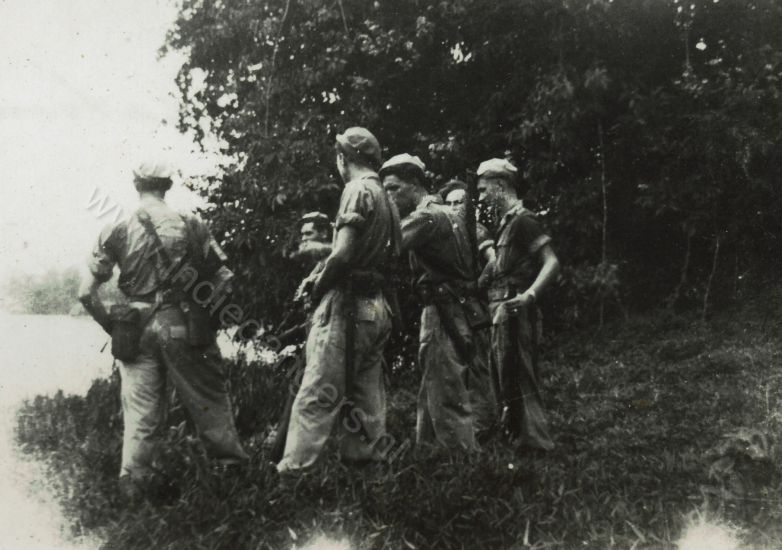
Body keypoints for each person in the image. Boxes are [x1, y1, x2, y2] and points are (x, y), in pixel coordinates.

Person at [78, 158, 248, 498]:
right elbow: (225, 277)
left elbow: (85, 292)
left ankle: (135, 489)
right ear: (167, 186)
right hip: (182, 321)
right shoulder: (190, 223)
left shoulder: (118, 227)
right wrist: (205, 317)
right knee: (210, 402)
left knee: (141, 416)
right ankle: (231, 485)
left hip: (135, 329)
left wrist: (113, 327)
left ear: (136, 184)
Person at [277, 127, 401, 473]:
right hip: (376, 306)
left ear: (343, 158)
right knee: (367, 395)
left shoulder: (356, 190)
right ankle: (367, 471)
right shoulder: (388, 198)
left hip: (345, 306)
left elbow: (343, 253)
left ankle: (294, 474)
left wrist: (316, 286)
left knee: (316, 392)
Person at [381, 154, 489, 450]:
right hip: (459, 308)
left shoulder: (425, 217)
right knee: (437, 378)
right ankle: (427, 451)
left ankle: (463, 464)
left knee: (446, 387)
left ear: (414, 183)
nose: (388, 196)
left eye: (393, 188)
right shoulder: (452, 214)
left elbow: (383, 248)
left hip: (442, 310)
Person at [476, 158, 560, 451]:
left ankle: (536, 442)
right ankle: (518, 439)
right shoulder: (506, 224)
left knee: (521, 374)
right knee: (505, 374)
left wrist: (530, 296)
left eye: (485, 189)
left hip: (516, 308)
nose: (482, 196)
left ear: (501, 185)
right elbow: (499, 268)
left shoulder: (524, 220)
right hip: (501, 309)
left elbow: (551, 262)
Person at [436, 178, 500, 439]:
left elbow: (495, 261)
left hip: (474, 305)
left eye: (459, 202)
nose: (454, 208)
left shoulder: (477, 231)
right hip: (452, 306)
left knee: (478, 366)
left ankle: (485, 425)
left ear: (469, 206)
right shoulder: (447, 235)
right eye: (449, 203)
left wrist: (476, 286)